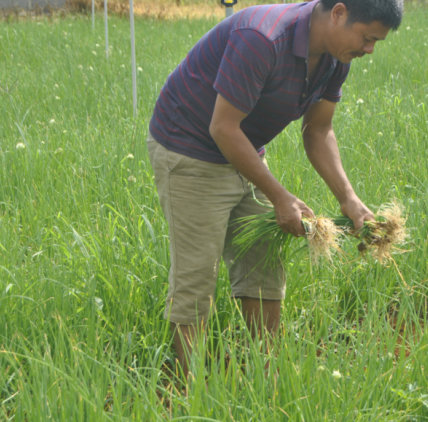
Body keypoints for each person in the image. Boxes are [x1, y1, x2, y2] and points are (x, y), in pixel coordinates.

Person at [146, 0, 403, 378]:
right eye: (367, 38)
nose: (369, 50)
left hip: (242, 150)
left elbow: (318, 130)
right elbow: (222, 128)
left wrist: (348, 199)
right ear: (338, 12)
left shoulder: (336, 56)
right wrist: (280, 197)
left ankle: (261, 372)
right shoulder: (263, 38)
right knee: (197, 275)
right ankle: (190, 388)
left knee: (264, 260)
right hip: (190, 151)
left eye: (376, 42)